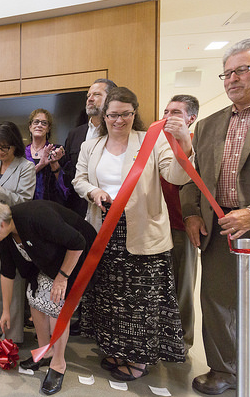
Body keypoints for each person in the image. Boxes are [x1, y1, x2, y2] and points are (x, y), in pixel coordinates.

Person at [180, 37, 250, 395]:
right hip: (219, 232)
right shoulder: (208, 124)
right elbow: (193, 175)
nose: (231, 79)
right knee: (218, 304)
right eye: (226, 73)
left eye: (241, 70)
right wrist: (191, 214)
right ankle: (224, 370)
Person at [73, 86, 193, 381]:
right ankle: (115, 348)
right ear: (104, 116)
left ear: (134, 113)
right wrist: (94, 191)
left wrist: (184, 143)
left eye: (126, 114)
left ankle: (137, 359)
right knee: (109, 297)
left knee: (139, 301)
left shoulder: (152, 142)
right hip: (103, 228)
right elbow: (79, 179)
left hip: (142, 232)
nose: (119, 120)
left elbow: (177, 176)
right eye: (113, 115)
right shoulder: (92, 147)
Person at [0, 199, 96, 395]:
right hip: (52, 260)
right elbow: (7, 272)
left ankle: (58, 364)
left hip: (79, 255)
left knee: (57, 304)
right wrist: (6, 311)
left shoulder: (36, 216)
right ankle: (46, 351)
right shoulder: (6, 235)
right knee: (34, 297)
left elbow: (78, 242)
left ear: (0, 225)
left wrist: (62, 278)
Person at [0, 122, 36, 343]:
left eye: (4, 148)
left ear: (15, 145)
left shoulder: (26, 167)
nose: (0, 152)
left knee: (14, 279)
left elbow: (24, 201)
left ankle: (13, 333)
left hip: (13, 229)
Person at [160, 94, 200, 352]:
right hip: (157, 224)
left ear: (191, 118)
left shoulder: (197, 144)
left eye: (175, 113)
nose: (168, 117)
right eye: (166, 112)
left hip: (182, 226)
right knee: (161, 286)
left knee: (182, 286)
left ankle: (182, 341)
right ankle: (162, 335)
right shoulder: (158, 143)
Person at [64, 79, 117, 217]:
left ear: (111, 99)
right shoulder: (74, 134)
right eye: (88, 96)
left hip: (109, 207)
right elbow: (70, 174)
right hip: (78, 210)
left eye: (97, 95)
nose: (90, 99)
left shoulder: (119, 133)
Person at [24, 109, 68, 206]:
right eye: (36, 122)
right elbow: (18, 182)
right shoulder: (21, 154)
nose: (39, 125)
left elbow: (66, 188)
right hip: (26, 207)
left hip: (52, 208)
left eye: (44, 123)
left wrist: (54, 163)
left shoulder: (58, 150)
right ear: (30, 126)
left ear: (48, 129)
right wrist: (41, 165)